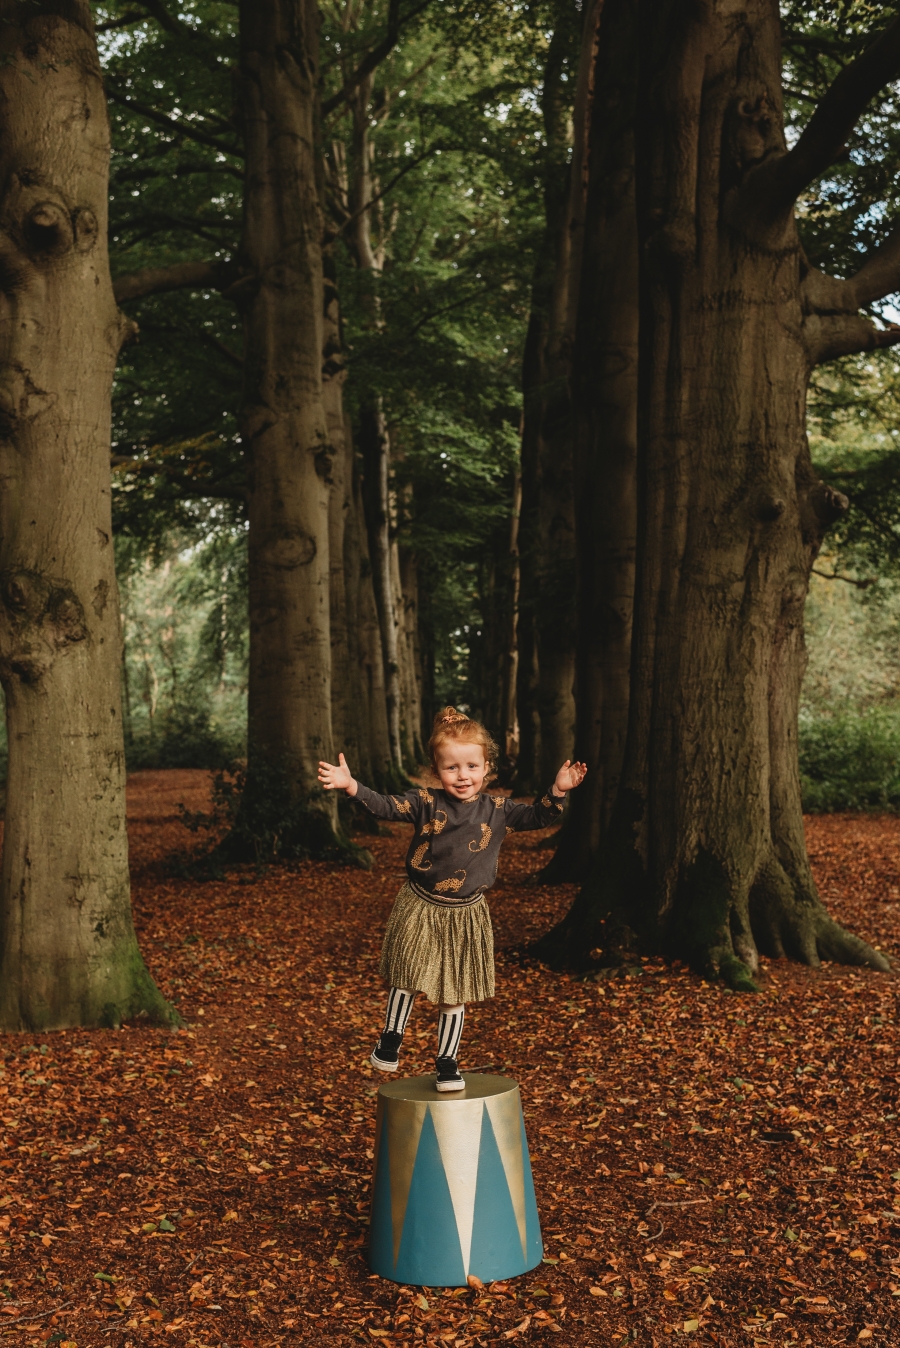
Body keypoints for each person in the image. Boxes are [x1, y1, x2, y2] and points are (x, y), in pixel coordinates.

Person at [318, 707, 586, 1091]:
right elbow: (386, 805)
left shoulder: (498, 810)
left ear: (487, 767)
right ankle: (391, 1038)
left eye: (472, 766)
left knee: (454, 991)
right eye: (452, 768)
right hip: (422, 904)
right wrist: (351, 786)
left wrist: (558, 789)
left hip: (466, 913)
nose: (463, 776)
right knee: (407, 972)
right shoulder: (427, 802)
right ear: (436, 770)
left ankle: (448, 1062)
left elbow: (538, 818)